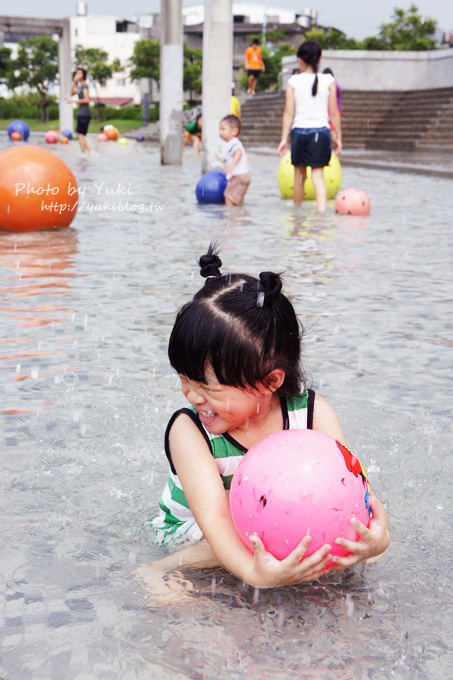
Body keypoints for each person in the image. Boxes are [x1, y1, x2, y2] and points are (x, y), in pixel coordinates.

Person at [140, 245, 390, 600]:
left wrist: (377, 537)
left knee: (352, 556)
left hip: (271, 522)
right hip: (198, 534)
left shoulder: (312, 414)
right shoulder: (189, 430)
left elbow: (353, 488)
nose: (192, 396)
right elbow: (215, 519)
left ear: (270, 382)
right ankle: (155, 572)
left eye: (208, 386)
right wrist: (254, 574)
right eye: (185, 379)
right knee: (204, 573)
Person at [278, 41, 342, 212]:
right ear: (320, 59)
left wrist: (284, 138)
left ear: (299, 60)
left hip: (299, 132)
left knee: (299, 176)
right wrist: (338, 138)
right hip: (320, 133)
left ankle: (297, 215)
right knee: (318, 175)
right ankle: (321, 214)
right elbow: (334, 114)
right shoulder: (329, 81)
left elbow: (288, 113)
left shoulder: (293, 82)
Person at [218, 115, 251, 206]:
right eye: (220, 129)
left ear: (234, 131)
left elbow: (238, 152)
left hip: (238, 176)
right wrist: (224, 160)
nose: (220, 132)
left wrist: (232, 165)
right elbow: (234, 155)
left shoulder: (233, 142)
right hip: (244, 175)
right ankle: (239, 216)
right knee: (237, 200)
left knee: (228, 197)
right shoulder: (233, 142)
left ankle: (231, 217)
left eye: (223, 129)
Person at [68, 67, 91, 154]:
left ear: (83, 75)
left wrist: (73, 101)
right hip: (82, 113)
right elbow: (71, 93)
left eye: (79, 73)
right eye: (76, 73)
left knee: (79, 134)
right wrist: (74, 82)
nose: (77, 75)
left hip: (84, 113)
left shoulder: (84, 86)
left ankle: (84, 154)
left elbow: (86, 99)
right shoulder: (80, 87)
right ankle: (90, 152)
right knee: (79, 135)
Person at [323, 67, 343, 147]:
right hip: (338, 108)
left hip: (332, 109)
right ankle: (336, 143)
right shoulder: (336, 83)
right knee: (333, 128)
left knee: (331, 129)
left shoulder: (330, 85)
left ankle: (337, 143)